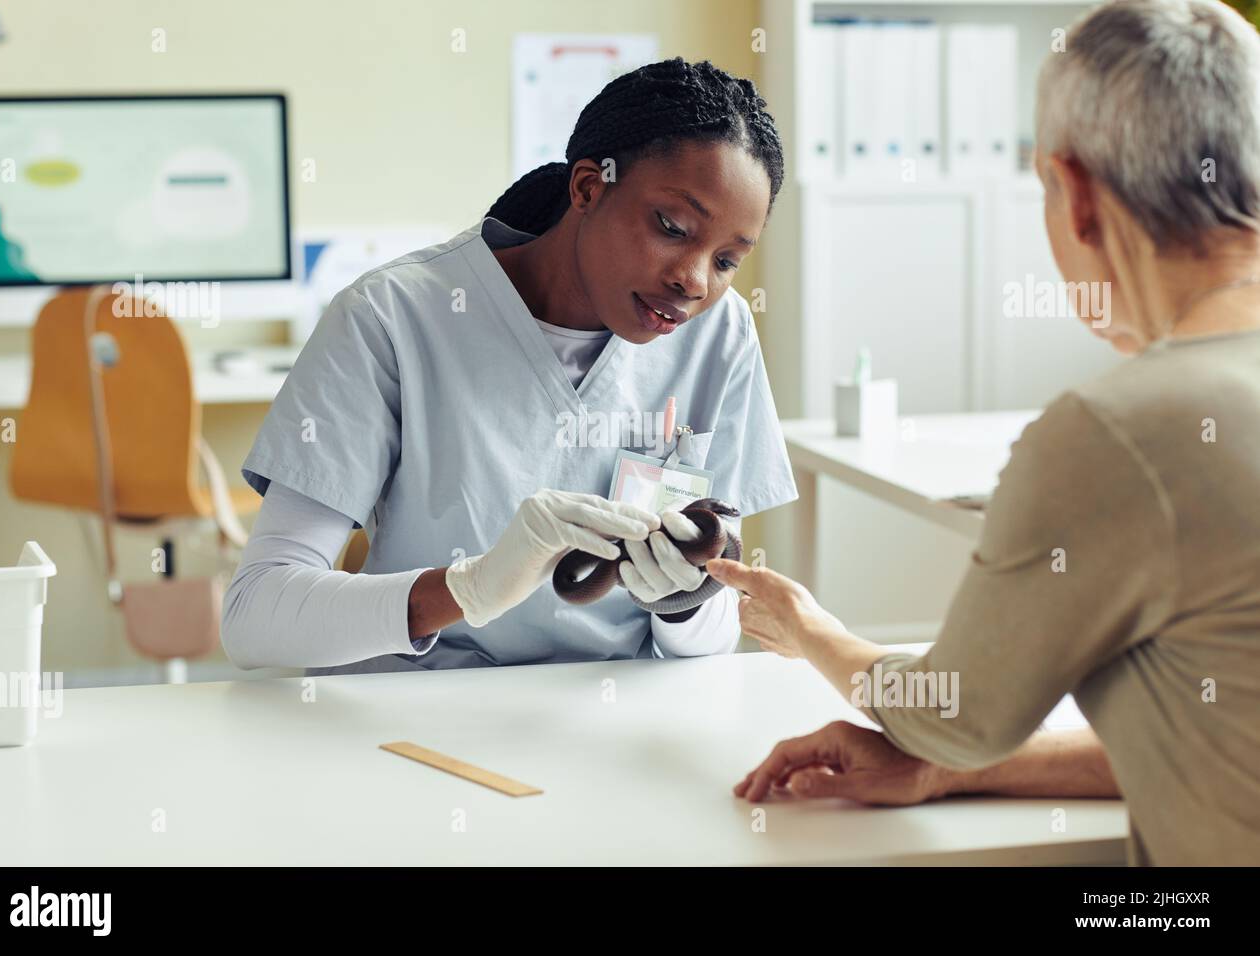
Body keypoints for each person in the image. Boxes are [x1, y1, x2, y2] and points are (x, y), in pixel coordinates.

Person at [710, 0, 1260, 866]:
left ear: (1073, 195)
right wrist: (947, 776)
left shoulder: (1121, 430)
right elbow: (1221, 735)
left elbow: (950, 714)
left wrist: (807, 627)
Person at [221, 58, 797, 674]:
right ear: (587, 188)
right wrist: (467, 587)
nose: (693, 280)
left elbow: (712, 643)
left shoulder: (721, 332)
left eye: (728, 260)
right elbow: (256, 618)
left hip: (605, 725)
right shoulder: (391, 317)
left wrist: (683, 602)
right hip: (413, 722)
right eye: (672, 226)